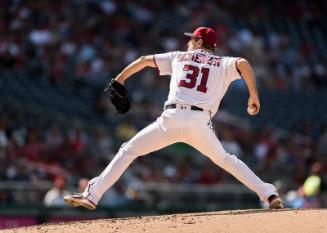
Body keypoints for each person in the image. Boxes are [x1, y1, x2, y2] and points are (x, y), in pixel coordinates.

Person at [64, 27, 283, 210]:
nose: (188, 42)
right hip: (200, 122)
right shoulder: (223, 62)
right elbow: (243, 63)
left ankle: (92, 195)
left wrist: (119, 80)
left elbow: (143, 60)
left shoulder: (179, 56)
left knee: (128, 150)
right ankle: (269, 193)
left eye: (191, 39)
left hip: (172, 118)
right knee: (226, 160)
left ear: (198, 41)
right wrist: (253, 96)